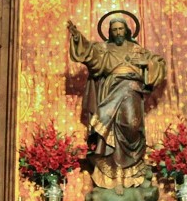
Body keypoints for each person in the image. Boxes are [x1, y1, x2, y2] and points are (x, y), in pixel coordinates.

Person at [67, 16, 166, 190]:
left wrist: (146, 64)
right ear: (110, 33)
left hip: (132, 90)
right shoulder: (104, 49)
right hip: (111, 90)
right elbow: (89, 53)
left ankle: (131, 168)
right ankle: (112, 171)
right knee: (110, 128)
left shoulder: (137, 50)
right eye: (115, 30)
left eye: (121, 29)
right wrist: (77, 38)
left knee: (131, 125)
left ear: (127, 31)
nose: (118, 33)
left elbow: (159, 63)